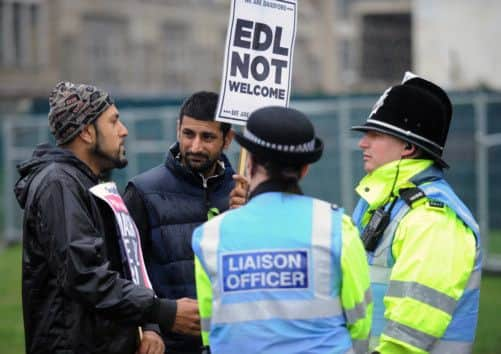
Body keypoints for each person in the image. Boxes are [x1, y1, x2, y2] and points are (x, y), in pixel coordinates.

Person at [14, 82, 200, 354]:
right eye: (113, 121)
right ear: (88, 132)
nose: (123, 130)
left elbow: (123, 266)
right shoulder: (59, 184)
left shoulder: (84, 183)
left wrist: (148, 325)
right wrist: (162, 311)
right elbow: (85, 275)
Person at [192, 106, 372, 354]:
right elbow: (360, 323)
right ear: (305, 168)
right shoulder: (337, 228)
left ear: (250, 162)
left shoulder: (209, 237)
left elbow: (210, 329)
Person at [351, 72, 482, 353]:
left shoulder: (433, 218)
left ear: (408, 147)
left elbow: (407, 339)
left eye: (376, 135)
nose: (363, 143)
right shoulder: (379, 201)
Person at [123, 91, 236, 354]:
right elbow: (125, 270)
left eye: (207, 137)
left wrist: (248, 214)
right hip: (169, 345)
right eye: (188, 134)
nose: (195, 146)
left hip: (232, 342)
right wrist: (150, 326)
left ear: (227, 139)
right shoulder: (142, 192)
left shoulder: (244, 194)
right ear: (178, 130)